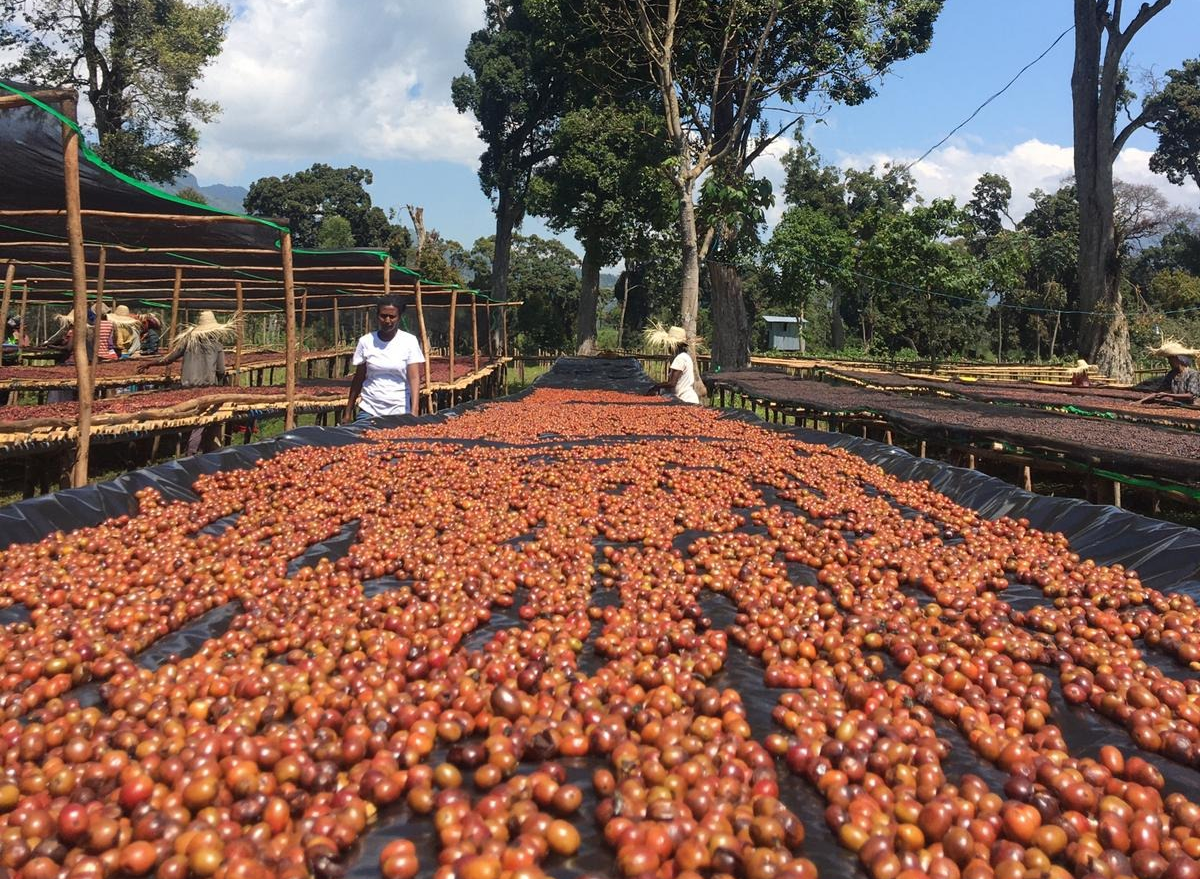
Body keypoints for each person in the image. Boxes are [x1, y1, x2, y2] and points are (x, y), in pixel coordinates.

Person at [138, 310, 237, 454]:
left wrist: (150, 363)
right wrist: (223, 382)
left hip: (187, 387)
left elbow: (169, 358)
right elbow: (221, 370)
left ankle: (195, 451)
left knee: (194, 420)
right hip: (207, 387)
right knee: (203, 421)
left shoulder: (188, 341)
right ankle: (194, 453)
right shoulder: (216, 344)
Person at [344, 297, 425, 422]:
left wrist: (414, 411)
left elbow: (414, 378)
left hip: (400, 410)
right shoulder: (366, 341)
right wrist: (348, 412)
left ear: (399, 317)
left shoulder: (409, 341)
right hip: (369, 410)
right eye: (383, 316)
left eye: (392, 317)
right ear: (377, 316)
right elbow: (359, 377)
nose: (387, 320)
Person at [643, 323, 701, 404]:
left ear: (675, 345)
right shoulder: (685, 356)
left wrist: (657, 386)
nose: (668, 347)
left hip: (686, 399)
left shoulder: (680, 358)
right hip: (687, 398)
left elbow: (672, 383)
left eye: (669, 345)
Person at [1138, 339, 1200, 404]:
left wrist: (1167, 395)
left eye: (1171, 359)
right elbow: (1158, 393)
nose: (1169, 362)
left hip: (1193, 406)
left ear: (1179, 359)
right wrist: (1140, 401)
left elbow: (1190, 395)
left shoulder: (1193, 374)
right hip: (1177, 405)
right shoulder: (1172, 374)